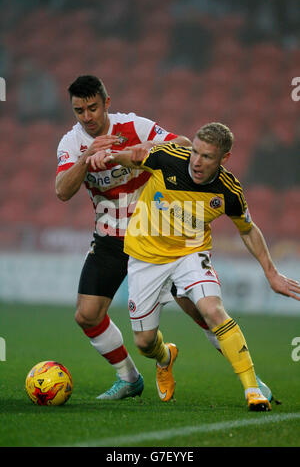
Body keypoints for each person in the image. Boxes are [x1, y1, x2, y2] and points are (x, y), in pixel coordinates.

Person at [87, 122, 300, 411]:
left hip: (190, 252)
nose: (197, 161)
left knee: (212, 310)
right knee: (145, 342)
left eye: (207, 157)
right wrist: (109, 157)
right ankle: (165, 358)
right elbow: (133, 157)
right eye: (195, 153)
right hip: (146, 256)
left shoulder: (228, 190)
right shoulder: (168, 158)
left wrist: (271, 273)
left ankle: (252, 388)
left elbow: (248, 229)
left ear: (224, 159)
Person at [55, 75, 192, 400]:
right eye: (79, 111)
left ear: (107, 103)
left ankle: (251, 379)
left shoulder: (134, 126)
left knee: (197, 307)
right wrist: (87, 160)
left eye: (92, 108)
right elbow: (61, 191)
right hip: (110, 238)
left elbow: (185, 146)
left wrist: (143, 150)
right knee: (87, 315)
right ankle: (130, 378)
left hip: (155, 235)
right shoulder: (72, 143)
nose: (87, 117)